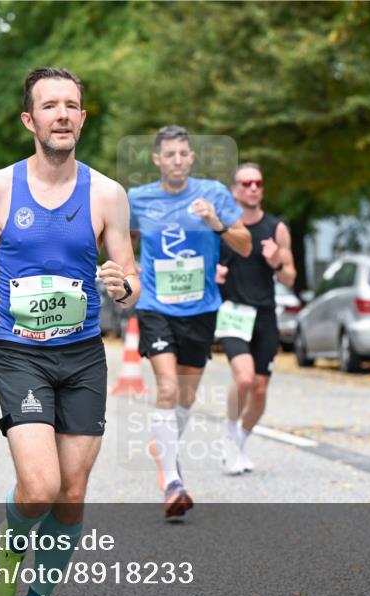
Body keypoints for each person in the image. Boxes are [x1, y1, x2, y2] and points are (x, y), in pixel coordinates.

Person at [0, 67, 138, 596]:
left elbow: (130, 278)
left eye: (72, 105)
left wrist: (121, 286)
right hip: (19, 354)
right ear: (30, 120)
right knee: (40, 487)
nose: (62, 114)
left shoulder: (107, 193)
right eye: (50, 105)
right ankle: (10, 546)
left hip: (83, 357)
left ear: (84, 117)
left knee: (72, 493)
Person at [128, 125, 251, 518]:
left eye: (184, 153)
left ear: (191, 158)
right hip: (155, 306)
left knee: (185, 396)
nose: (177, 160)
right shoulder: (138, 199)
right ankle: (172, 481)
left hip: (200, 309)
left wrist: (216, 222)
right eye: (170, 154)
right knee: (167, 387)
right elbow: (117, 237)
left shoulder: (212, 193)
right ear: (157, 159)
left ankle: (163, 448)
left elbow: (244, 244)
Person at [215, 163, 297, 474]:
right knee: (245, 379)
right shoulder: (224, 229)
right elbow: (205, 268)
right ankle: (228, 431)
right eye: (246, 183)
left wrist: (277, 262)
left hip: (264, 315)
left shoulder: (277, 229)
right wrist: (215, 276)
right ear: (235, 189)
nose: (252, 188)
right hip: (233, 313)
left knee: (260, 389)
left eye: (257, 183)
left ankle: (239, 440)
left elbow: (290, 278)